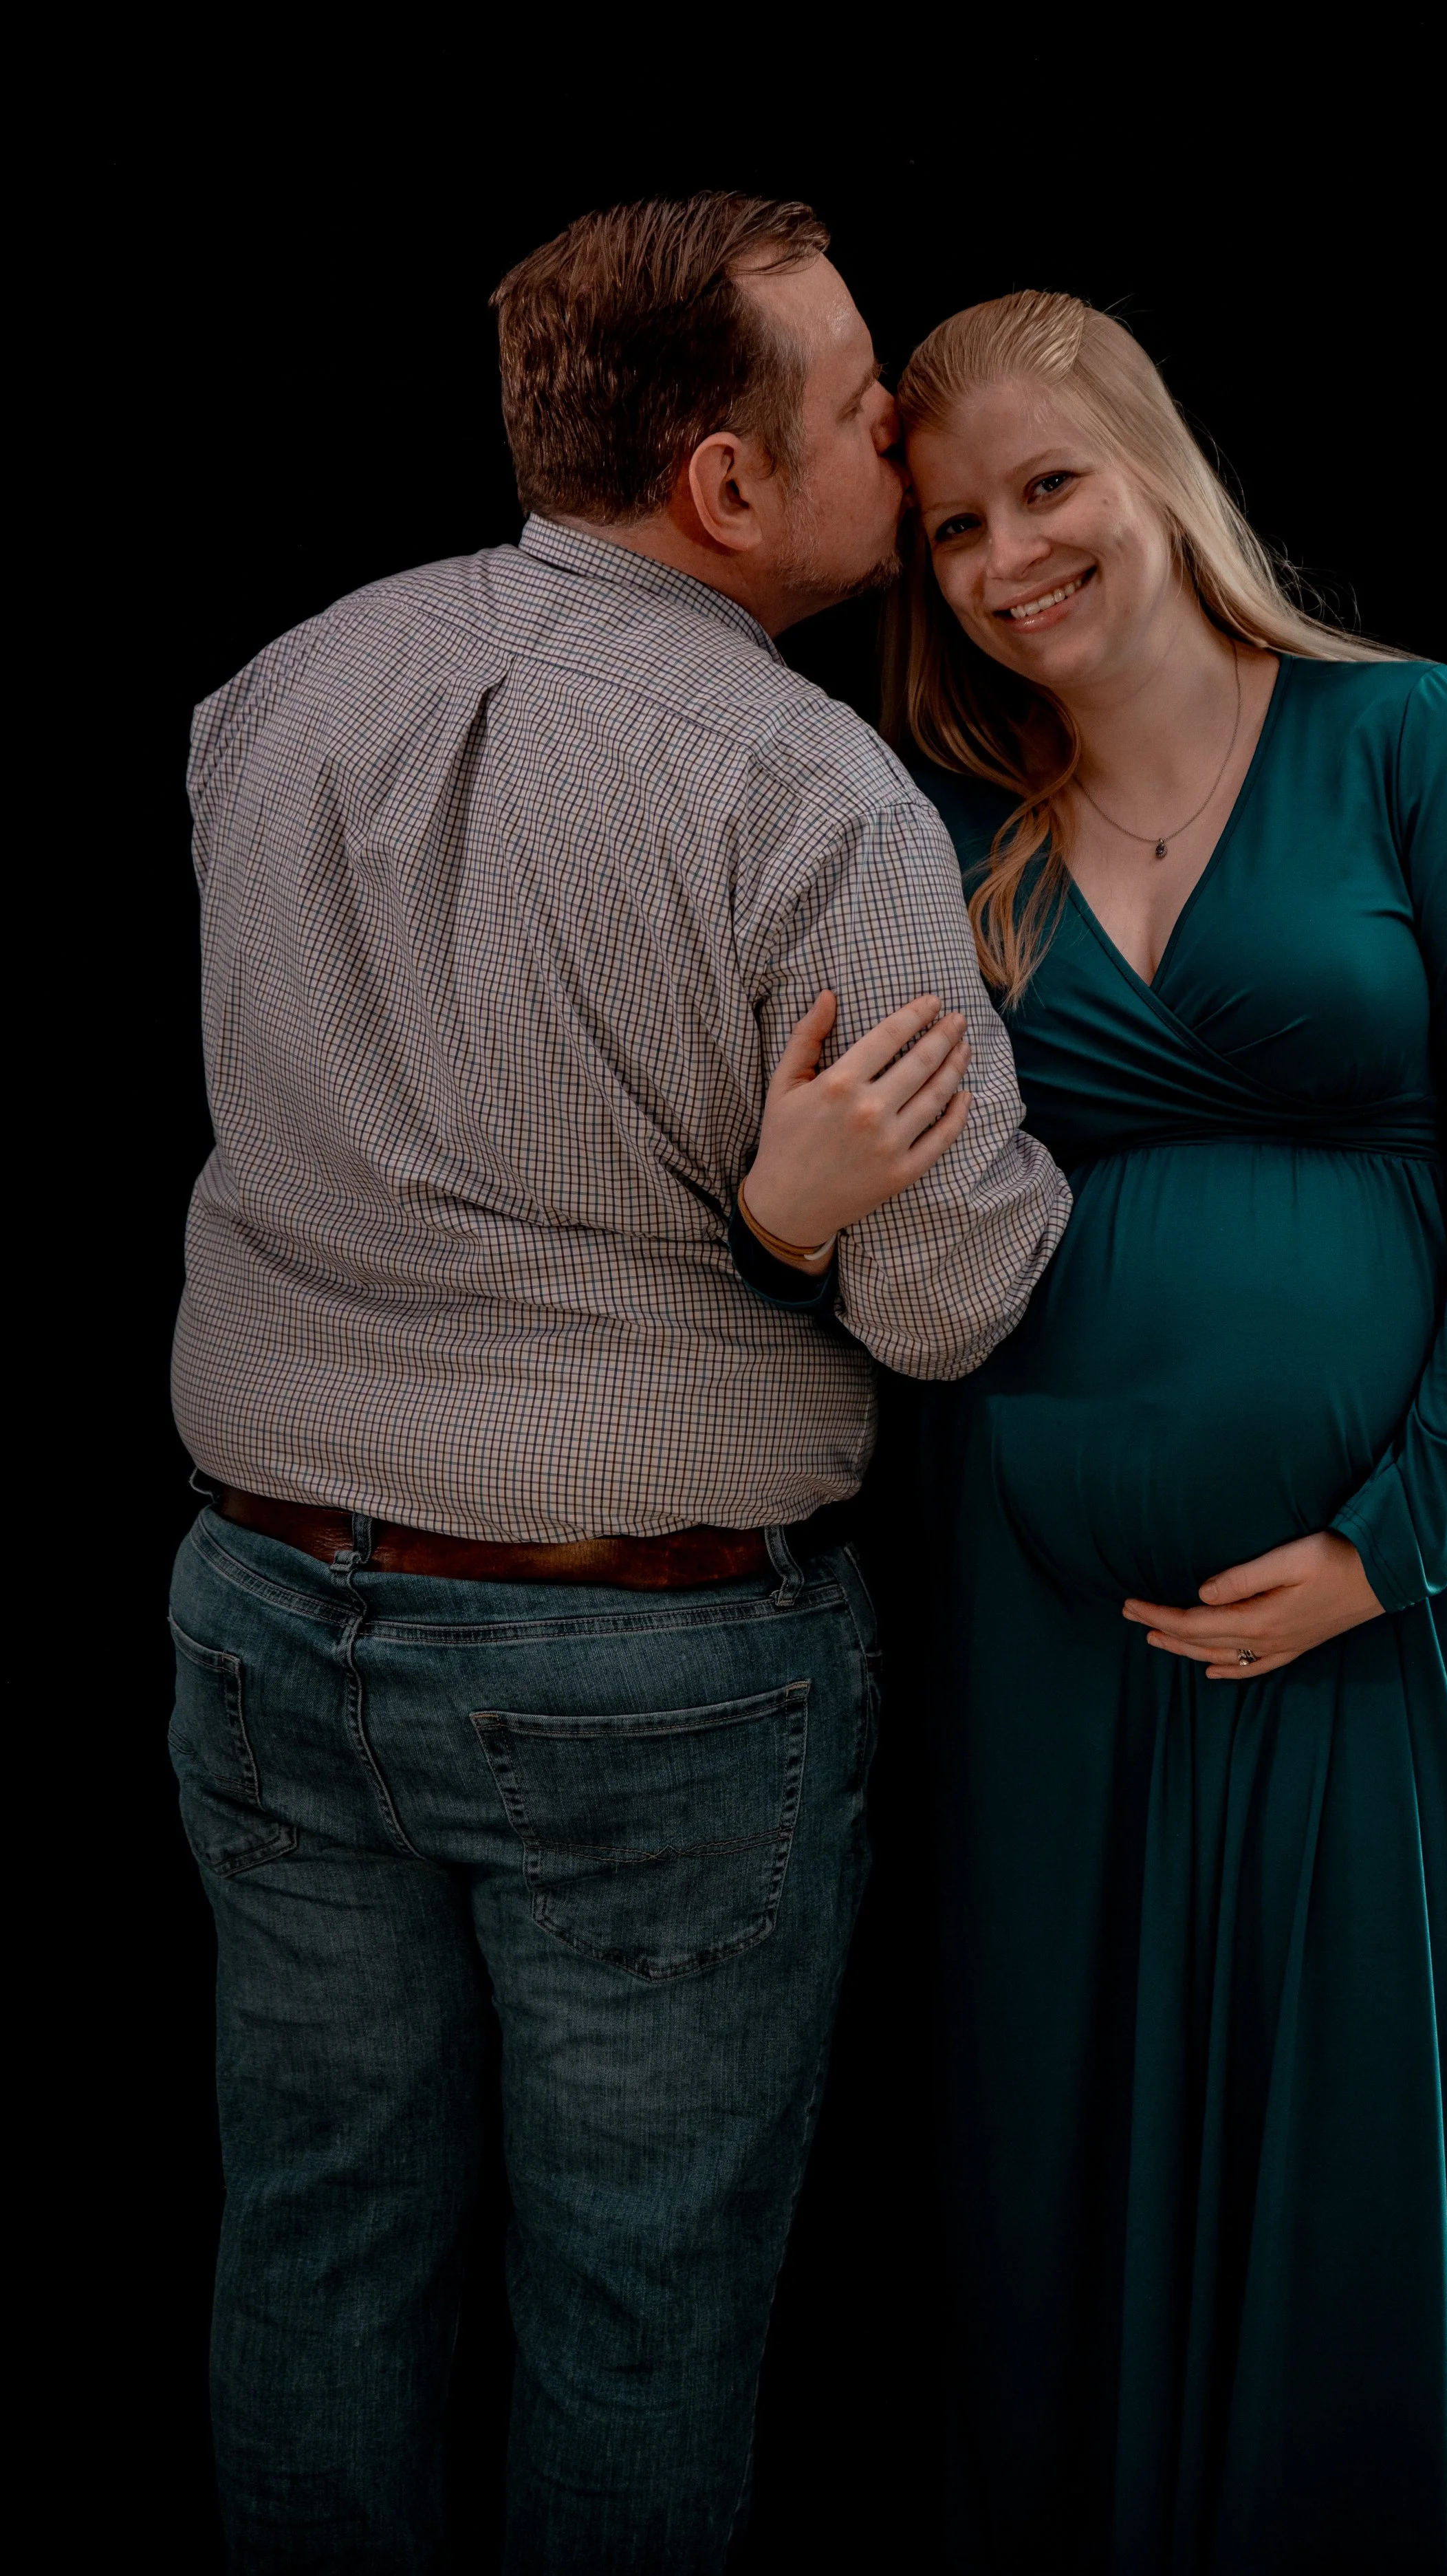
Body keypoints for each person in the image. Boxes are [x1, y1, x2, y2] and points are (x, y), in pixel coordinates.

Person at [166, 196, 1067, 2571]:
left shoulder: (275, 686)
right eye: (858, 390)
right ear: (727, 489)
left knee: (317, 2254)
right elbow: (954, 1304)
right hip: (642, 1674)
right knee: (641, 2309)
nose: (900, 420)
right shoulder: (813, 798)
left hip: (263, 1612)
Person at [737, 292, 1447, 2572]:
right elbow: (854, 1183)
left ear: (1155, 474)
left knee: (1358, 2119)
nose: (1008, 552)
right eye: (951, 527)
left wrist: (1392, 1539)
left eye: (1049, 487)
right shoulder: (933, 822)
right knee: (1058, 2127)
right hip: (1041, 1605)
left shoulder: (1410, 739)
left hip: (1378, 1582)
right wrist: (786, 1202)